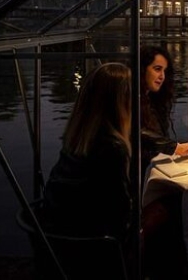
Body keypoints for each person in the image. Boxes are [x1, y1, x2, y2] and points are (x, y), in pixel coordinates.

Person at [42, 62, 135, 247]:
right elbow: (120, 214)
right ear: (122, 101)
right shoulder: (113, 148)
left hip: (55, 241)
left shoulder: (76, 139)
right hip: (92, 247)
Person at [139, 45, 188, 279]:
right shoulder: (132, 101)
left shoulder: (152, 102)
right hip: (137, 182)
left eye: (165, 70)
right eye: (157, 69)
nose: (162, 76)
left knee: (180, 198)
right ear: (141, 70)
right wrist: (173, 147)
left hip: (147, 174)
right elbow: (137, 132)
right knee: (176, 202)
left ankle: (180, 265)